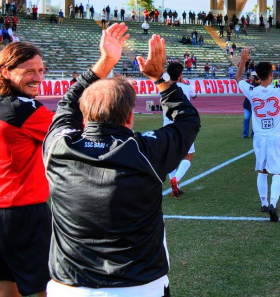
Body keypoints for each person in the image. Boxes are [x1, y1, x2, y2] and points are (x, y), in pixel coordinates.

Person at [44, 24, 201, 296]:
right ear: (130, 117)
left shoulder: (58, 146)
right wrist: (160, 78)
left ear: (85, 115)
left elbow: (66, 104)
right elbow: (188, 119)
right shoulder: (145, 151)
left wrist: (105, 62)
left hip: (68, 287)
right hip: (139, 286)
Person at [0, 42, 54, 297]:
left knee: (6, 282)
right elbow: (71, 131)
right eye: (30, 70)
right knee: (45, 285)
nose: (38, 77)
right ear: (6, 72)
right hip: (23, 211)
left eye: (41, 70)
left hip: (6, 208)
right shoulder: (22, 110)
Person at [235, 46, 280, 221]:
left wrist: (243, 60)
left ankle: (264, 203)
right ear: (271, 75)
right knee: (277, 173)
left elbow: (238, 78)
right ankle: (273, 203)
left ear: (258, 77)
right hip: (276, 137)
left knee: (262, 170)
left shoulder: (252, 91)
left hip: (260, 137)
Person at [164, 62, 198, 197]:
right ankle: (175, 180)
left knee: (171, 156)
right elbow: (195, 95)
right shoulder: (185, 87)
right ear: (180, 75)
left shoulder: (164, 88)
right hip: (184, 126)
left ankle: (176, 186)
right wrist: (182, 81)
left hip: (167, 125)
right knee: (188, 155)